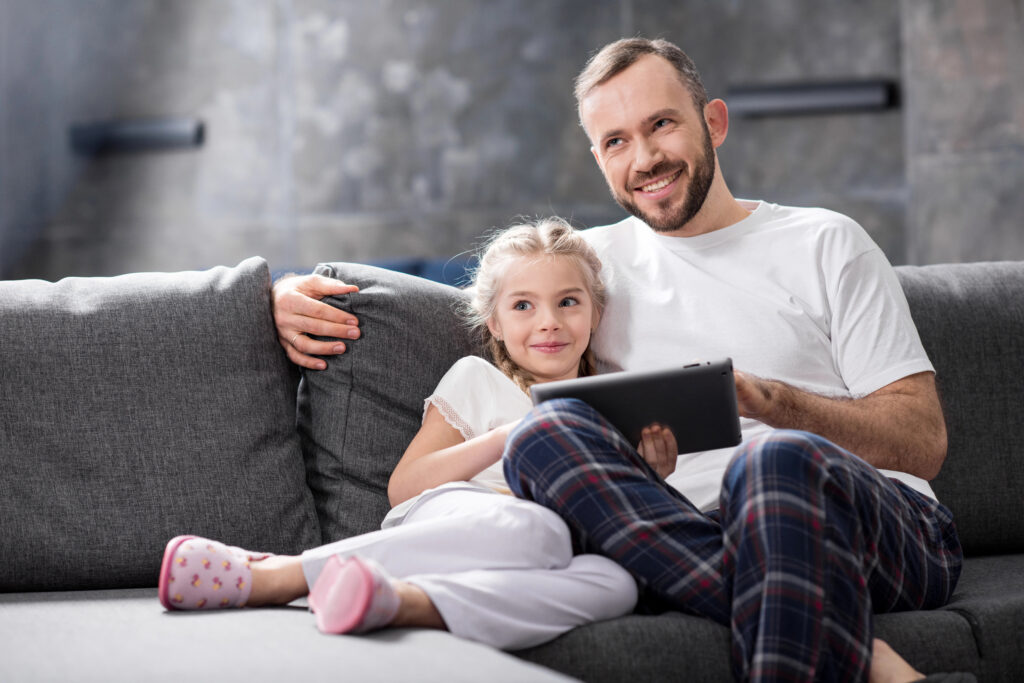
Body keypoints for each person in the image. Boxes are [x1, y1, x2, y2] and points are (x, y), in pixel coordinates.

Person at [269, 38, 967, 682]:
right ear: (599, 158)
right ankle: (852, 643)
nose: (645, 159)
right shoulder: (591, 264)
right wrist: (289, 292)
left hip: (876, 525)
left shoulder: (826, 243)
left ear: (713, 123)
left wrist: (773, 405)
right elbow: (484, 298)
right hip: (684, 527)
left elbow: (923, 440)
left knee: (772, 460)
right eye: (616, 141)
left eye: (663, 125)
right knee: (544, 434)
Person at [157, 218, 639, 650]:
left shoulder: (610, 409)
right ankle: (281, 575)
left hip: (540, 551)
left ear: (596, 313)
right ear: (495, 322)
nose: (549, 322)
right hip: (457, 514)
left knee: (617, 583)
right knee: (536, 529)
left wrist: (646, 471)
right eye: (523, 306)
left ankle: (401, 601)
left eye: (569, 302)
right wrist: (515, 434)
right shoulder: (478, 378)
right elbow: (405, 487)